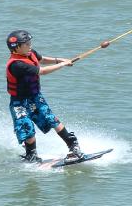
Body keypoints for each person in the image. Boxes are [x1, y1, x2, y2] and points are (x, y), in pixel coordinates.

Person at [6, 30, 84, 163]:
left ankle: (73, 146)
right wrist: (62, 64)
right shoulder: (17, 64)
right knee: (26, 126)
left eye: (30, 42)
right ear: (16, 47)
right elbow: (42, 71)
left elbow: (42, 59)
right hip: (19, 102)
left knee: (50, 118)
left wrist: (59, 60)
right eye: (27, 44)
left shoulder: (30, 53)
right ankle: (31, 154)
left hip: (35, 97)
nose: (30, 45)